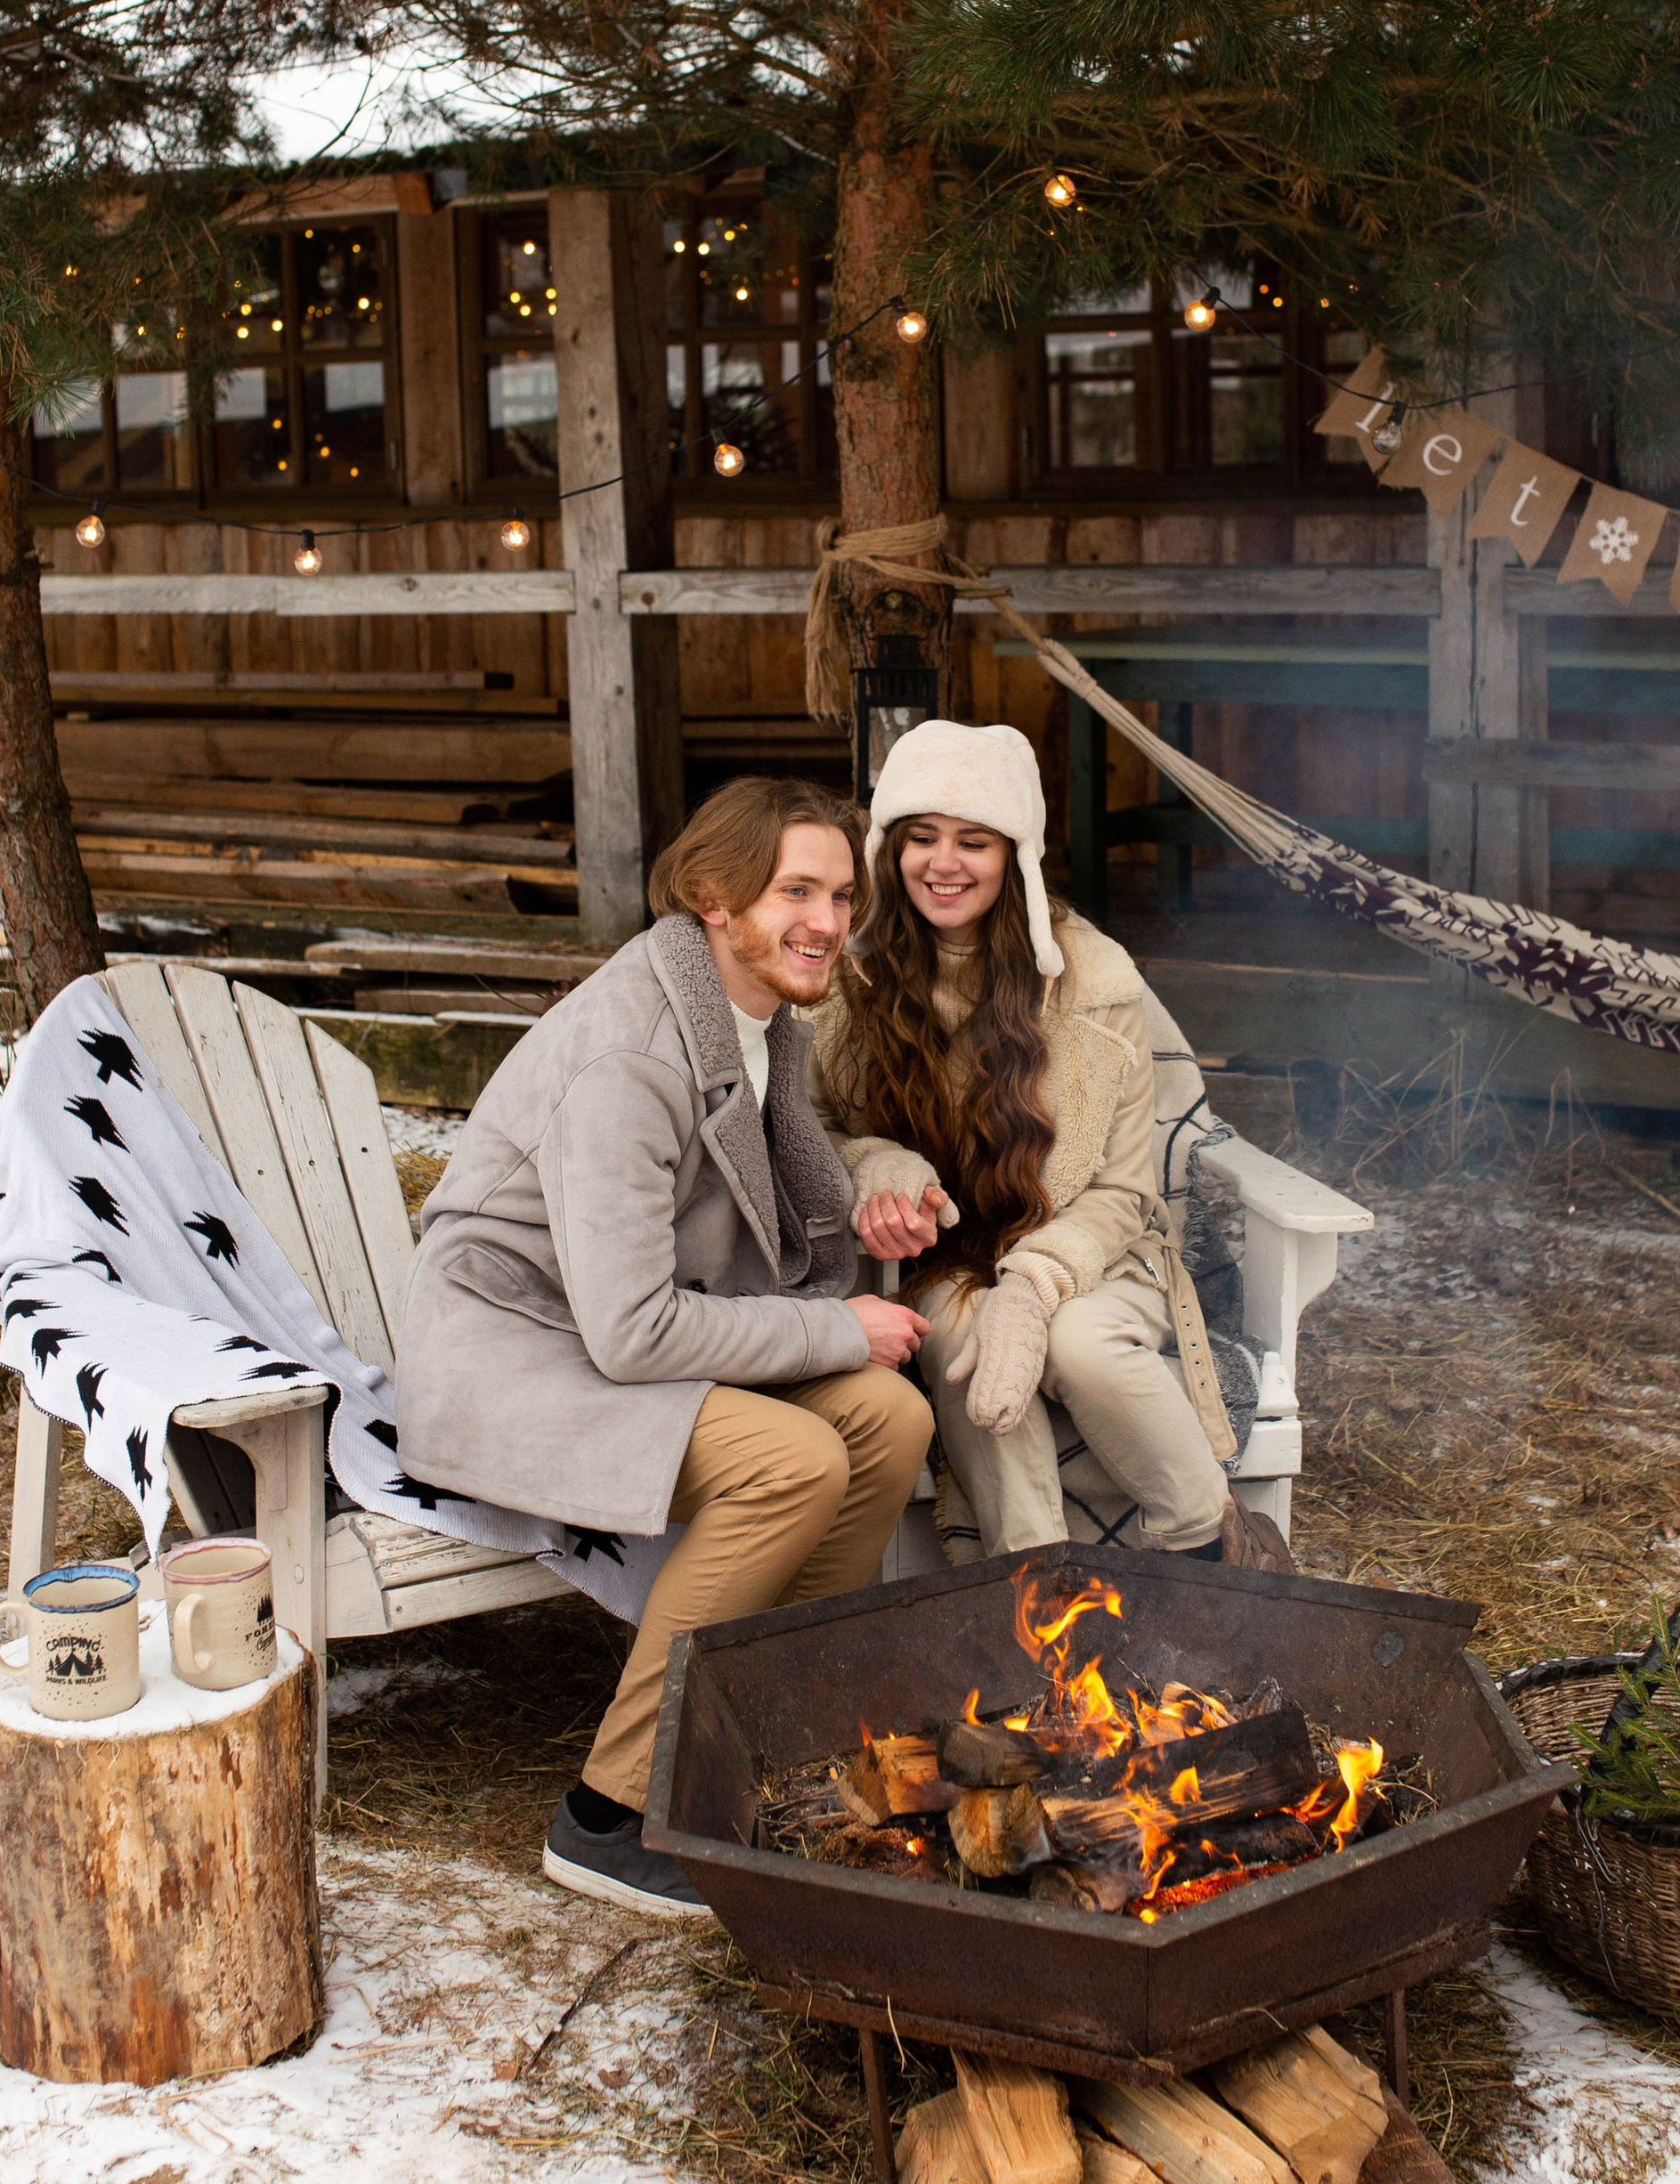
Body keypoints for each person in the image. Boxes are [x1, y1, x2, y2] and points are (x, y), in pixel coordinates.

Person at [397, 779, 933, 1917]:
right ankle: (610, 1813)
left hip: (595, 1333)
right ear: (713, 899)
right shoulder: (631, 1057)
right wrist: (833, 1326)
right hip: (513, 1357)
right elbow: (633, 1329)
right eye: (797, 890)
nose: (829, 922)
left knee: (889, 1420)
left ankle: (766, 1749)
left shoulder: (758, 1026)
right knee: (791, 1460)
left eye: (841, 894)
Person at [810, 719, 1263, 1567]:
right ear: (888, 848)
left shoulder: (1094, 980)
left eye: (972, 841)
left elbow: (1127, 1192)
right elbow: (817, 1126)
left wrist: (1036, 1283)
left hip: (1093, 1251)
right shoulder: (854, 976)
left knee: (1082, 1345)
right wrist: (878, 1162)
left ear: (1014, 852)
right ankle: (1033, 1590)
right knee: (961, 1348)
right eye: (922, 839)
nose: (944, 864)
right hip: (945, 1261)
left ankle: (1211, 1546)